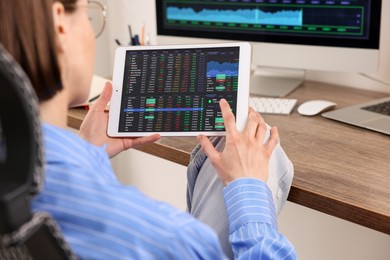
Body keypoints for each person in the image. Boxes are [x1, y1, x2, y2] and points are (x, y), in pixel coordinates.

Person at [0, 0, 296, 259]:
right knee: (265, 145)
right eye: (90, 16)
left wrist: (86, 152)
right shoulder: (171, 239)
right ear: (59, 25)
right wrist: (248, 188)